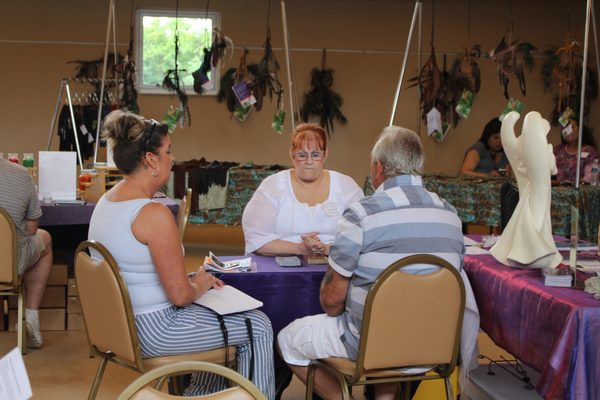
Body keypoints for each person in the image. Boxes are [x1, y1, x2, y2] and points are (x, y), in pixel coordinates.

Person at [277, 126, 480, 400]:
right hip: (435, 346)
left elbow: (333, 302)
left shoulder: (362, 214)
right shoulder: (451, 217)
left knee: (288, 339)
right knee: (391, 345)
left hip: (372, 346)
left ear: (378, 168)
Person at [87, 110, 275, 398]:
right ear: (150, 159)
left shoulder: (106, 201)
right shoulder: (153, 214)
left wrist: (193, 280)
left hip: (118, 326)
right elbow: (179, 296)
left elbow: (137, 272)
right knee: (258, 325)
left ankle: (197, 395)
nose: (172, 158)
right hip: (153, 330)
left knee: (212, 313)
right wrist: (200, 282)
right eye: (168, 151)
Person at [242, 123, 363, 256]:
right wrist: (299, 248)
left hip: (336, 267)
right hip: (280, 270)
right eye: (302, 155)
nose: (309, 161)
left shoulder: (346, 186)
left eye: (316, 155)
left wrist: (327, 249)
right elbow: (256, 240)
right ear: (292, 154)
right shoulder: (272, 186)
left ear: (326, 154)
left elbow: (362, 233)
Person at [0, 156, 53, 349]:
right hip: (8, 266)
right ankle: (31, 316)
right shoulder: (21, 174)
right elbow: (31, 230)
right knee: (44, 238)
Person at [553, 117, 599, 184]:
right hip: (558, 192)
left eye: (572, 127)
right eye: (565, 128)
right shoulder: (557, 150)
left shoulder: (591, 152)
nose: (568, 131)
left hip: (580, 192)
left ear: (580, 129)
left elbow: (591, 178)